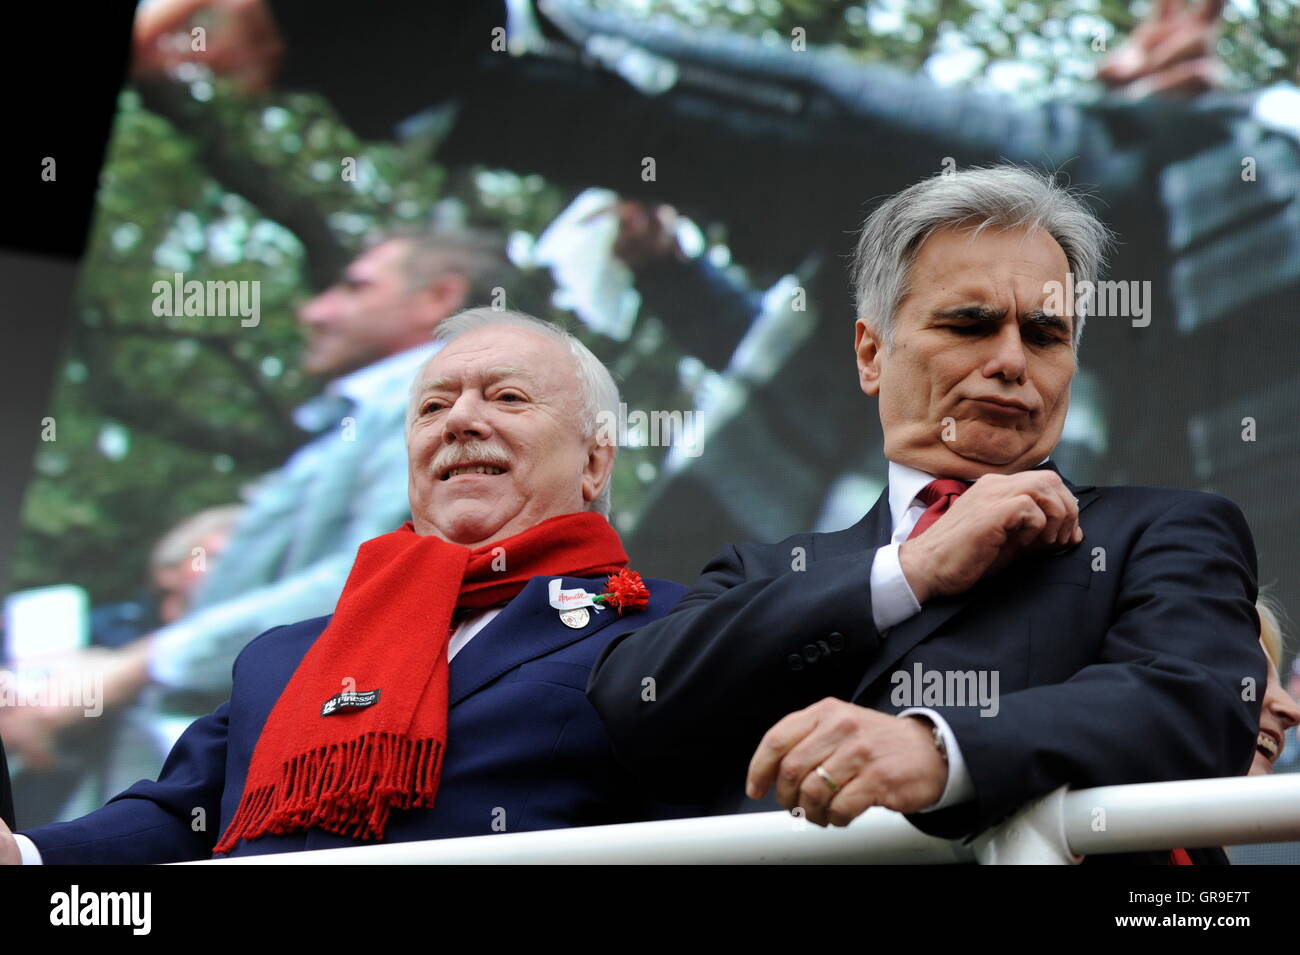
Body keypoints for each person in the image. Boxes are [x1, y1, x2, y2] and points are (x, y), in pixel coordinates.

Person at [586, 166, 1267, 864]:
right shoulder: (760, 571)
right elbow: (637, 708)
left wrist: (941, 748)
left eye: (1044, 334)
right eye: (970, 324)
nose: (1009, 360)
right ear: (871, 353)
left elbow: (1195, 706)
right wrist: (906, 572)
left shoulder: (1163, 532)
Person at [0, 309, 702, 863]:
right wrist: (26, 853)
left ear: (594, 460)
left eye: (507, 396)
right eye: (431, 408)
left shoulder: (667, 628)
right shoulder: (282, 657)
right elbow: (178, 817)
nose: (458, 420)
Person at [0, 230, 516, 792]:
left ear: (439, 297)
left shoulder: (435, 409)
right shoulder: (370, 417)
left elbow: (375, 577)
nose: (314, 311)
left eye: (353, 287)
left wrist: (134, 667)